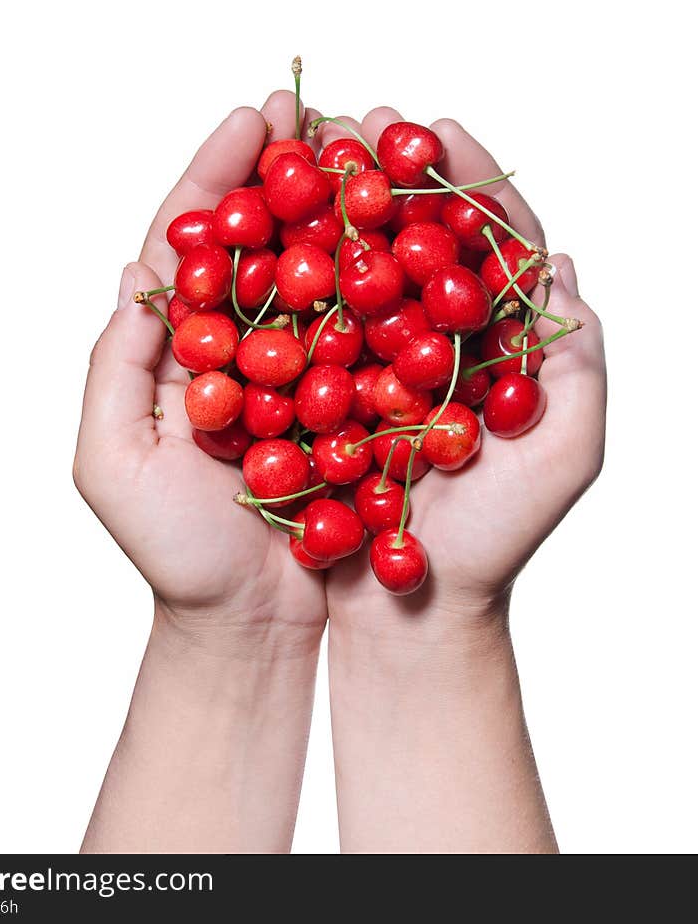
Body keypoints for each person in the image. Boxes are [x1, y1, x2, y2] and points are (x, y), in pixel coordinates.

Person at [72, 90, 607, 854]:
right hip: (325, 443)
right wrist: (226, 626)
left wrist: (435, 621)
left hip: (353, 447)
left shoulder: (389, 366)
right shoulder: (286, 331)